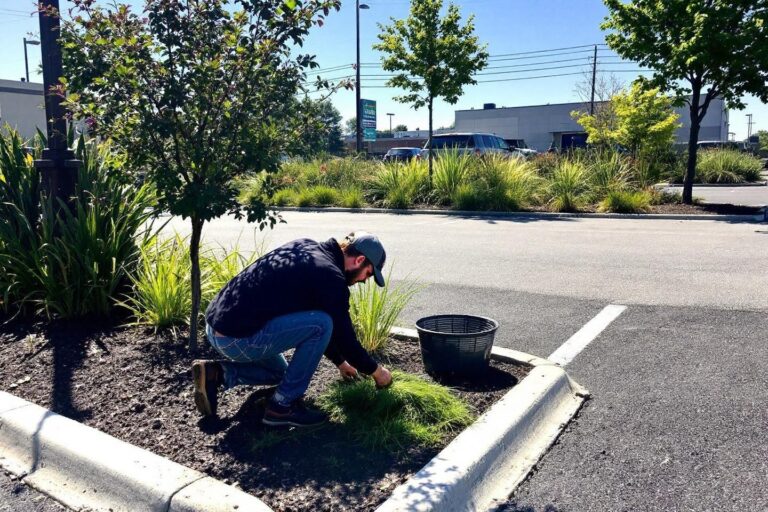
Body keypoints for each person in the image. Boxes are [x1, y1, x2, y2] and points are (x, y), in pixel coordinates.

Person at [193, 231, 393, 427]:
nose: (364, 281)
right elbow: (342, 337)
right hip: (236, 339)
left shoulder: (306, 247)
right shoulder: (330, 277)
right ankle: (281, 407)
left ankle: (218, 373)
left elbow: (321, 325)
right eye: (368, 274)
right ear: (359, 260)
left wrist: (340, 362)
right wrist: (377, 372)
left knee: (282, 375)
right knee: (322, 324)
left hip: (216, 327)